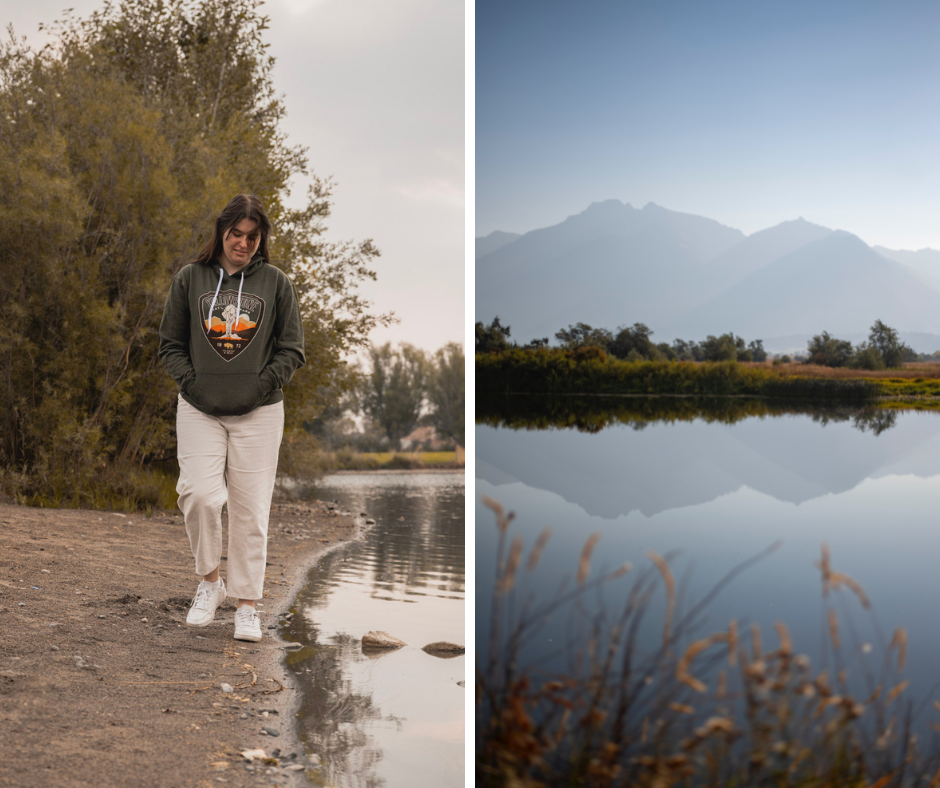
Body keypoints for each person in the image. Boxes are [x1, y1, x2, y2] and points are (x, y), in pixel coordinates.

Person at [158, 194, 305, 641]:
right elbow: (170, 345)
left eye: (251, 237)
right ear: (221, 232)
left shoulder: (276, 283)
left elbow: (292, 350)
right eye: (235, 234)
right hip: (199, 408)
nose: (242, 243)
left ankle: (247, 605)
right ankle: (209, 584)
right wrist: (195, 384)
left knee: (250, 509)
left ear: (261, 240)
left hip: (260, 413)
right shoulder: (190, 278)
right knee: (199, 495)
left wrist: (256, 386)